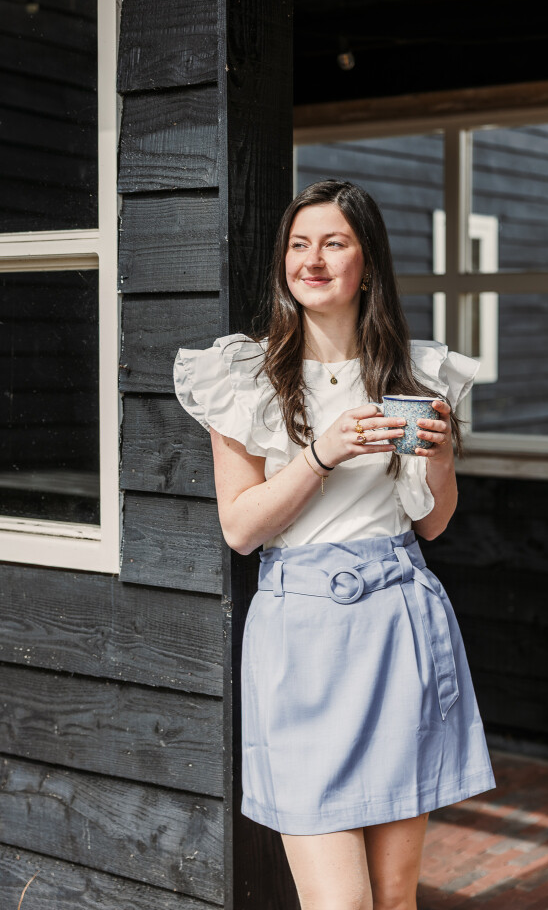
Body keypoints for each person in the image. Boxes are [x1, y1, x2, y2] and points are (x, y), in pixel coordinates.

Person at [173, 179, 495, 910]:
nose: (310, 261)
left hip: (397, 629)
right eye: (298, 244)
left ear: (367, 264)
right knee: (340, 904)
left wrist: (440, 458)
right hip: (303, 642)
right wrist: (320, 454)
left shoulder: (417, 375)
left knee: (392, 897)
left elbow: (433, 523)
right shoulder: (242, 378)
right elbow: (241, 528)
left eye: (333, 243)